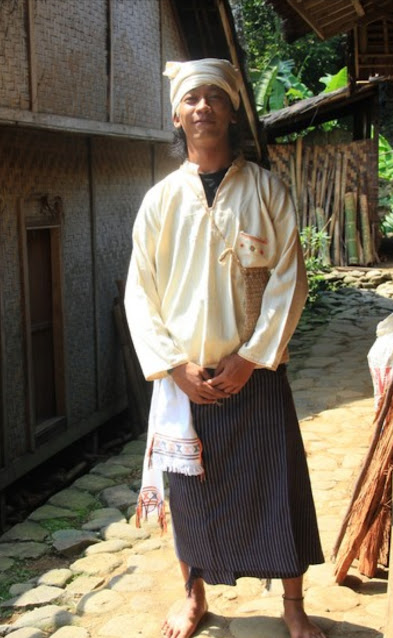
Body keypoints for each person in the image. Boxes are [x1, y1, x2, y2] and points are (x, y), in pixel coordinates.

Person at [125, 58, 325, 638]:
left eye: (214, 97)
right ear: (177, 115)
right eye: (191, 99)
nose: (202, 107)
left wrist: (252, 357)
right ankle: (193, 598)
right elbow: (142, 291)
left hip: (255, 374)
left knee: (277, 485)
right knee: (189, 495)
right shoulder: (159, 202)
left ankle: (292, 605)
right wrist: (172, 365)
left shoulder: (266, 191)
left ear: (232, 110)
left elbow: (290, 278)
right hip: (185, 381)